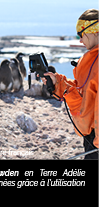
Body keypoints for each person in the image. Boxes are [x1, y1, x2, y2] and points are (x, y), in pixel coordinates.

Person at [42, 9, 98, 159]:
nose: (80, 40)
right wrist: (59, 83)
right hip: (91, 137)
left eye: (81, 34)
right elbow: (83, 92)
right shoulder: (89, 60)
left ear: (94, 32)